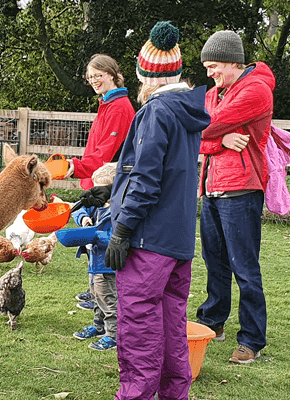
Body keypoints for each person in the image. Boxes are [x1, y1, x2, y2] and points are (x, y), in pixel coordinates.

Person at [108, 21, 211, 400]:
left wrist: (123, 229)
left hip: (148, 241)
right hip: (178, 240)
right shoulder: (186, 111)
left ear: (145, 74)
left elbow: (148, 179)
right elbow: (168, 173)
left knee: (138, 328)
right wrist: (110, 187)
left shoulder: (155, 112)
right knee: (171, 328)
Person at [194, 29, 277, 365]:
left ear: (232, 61)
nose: (210, 73)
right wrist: (219, 142)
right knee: (214, 260)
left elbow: (201, 123)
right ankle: (214, 321)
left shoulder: (256, 90)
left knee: (244, 266)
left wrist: (210, 134)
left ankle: (252, 339)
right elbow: (198, 133)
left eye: (214, 66)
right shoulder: (217, 91)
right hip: (211, 186)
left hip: (241, 187)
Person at [68, 54, 136, 310]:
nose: (95, 80)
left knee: (103, 239)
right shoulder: (107, 103)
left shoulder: (119, 107)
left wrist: (76, 167)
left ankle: (104, 297)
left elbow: (106, 154)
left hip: (107, 185)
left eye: (99, 75)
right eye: (90, 77)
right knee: (93, 240)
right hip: (95, 181)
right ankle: (95, 290)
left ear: (112, 73)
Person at [69, 162, 120, 351]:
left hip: (108, 265)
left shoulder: (118, 211)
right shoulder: (97, 206)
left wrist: (94, 235)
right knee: (96, 296)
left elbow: (117, 239)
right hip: (94, 262)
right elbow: (78, 209)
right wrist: (83, 218)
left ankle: (113, 335)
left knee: (109, 299)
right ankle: (98, 326)